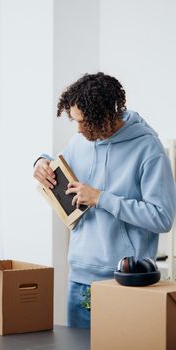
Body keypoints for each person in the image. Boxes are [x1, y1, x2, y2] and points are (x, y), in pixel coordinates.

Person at [33, 72, 176, 328]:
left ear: (106, 116)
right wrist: (41, 162)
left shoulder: (149, 150)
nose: (77, 129)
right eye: (74, 121)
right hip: (79, 277)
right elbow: (59, 165)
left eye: (83, 121)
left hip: (126, 281)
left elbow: (162, 218)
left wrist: (101, 198)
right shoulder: (80, 141)